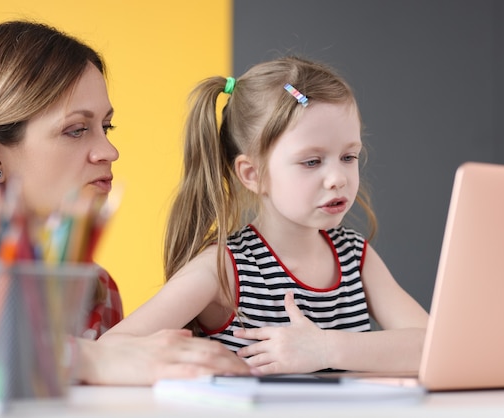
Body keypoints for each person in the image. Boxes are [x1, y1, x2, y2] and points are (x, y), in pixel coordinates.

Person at [0, 20, 250, 384]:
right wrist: (90, 359)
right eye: (76, 129)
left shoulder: (96, 292)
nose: (110, 151)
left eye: (106, 127)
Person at [101, 56, 430, 375]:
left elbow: (433, 346)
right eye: (312, 161)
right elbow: (111, 349)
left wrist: (326, 348)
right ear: (252, 174)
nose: (338, 178)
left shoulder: (355, 257)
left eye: (348, 156)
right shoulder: (223, 268)